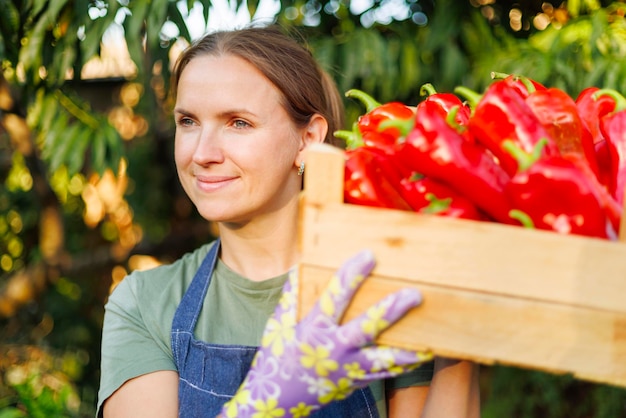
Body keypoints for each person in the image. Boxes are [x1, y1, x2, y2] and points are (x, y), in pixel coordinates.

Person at [97, 24, 480, 418]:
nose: (202, 153)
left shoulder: (376, 290)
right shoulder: (146, 304)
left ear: (308, 139)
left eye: (238, 123)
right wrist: (267, 404)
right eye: (188, 121)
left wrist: (460, 333)